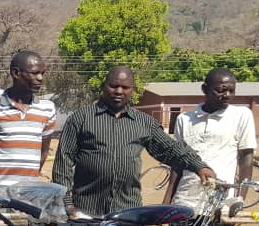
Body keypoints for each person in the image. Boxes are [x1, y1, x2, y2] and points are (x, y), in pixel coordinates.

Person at [52, 65, 216, 217]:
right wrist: (67, 203)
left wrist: (198, 165)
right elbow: (63, 162)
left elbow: (170, 149)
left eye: (125, 87)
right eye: (113, 86)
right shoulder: (81, 118)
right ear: (103, 86)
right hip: (86, 212)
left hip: (129, 212)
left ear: (132, 90)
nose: (118, 91)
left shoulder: (144, 122)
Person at [166, 68, 257, 213]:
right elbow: (177, 163)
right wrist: (166, 202)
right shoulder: (185, 119)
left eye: (231, 91)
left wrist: (239, 200)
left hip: (220, 204)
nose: (227, 95)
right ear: (204, 89)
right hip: (185, 201)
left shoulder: (241, 116)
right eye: (220, 90)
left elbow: (246, 160)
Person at [0, 51, 55, 187]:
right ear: (16, 73)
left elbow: (43, 152)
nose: (40, 78)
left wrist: (30, 183)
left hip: (28, 196)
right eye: (34, 73)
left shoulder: (47, 109)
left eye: (42, 73)